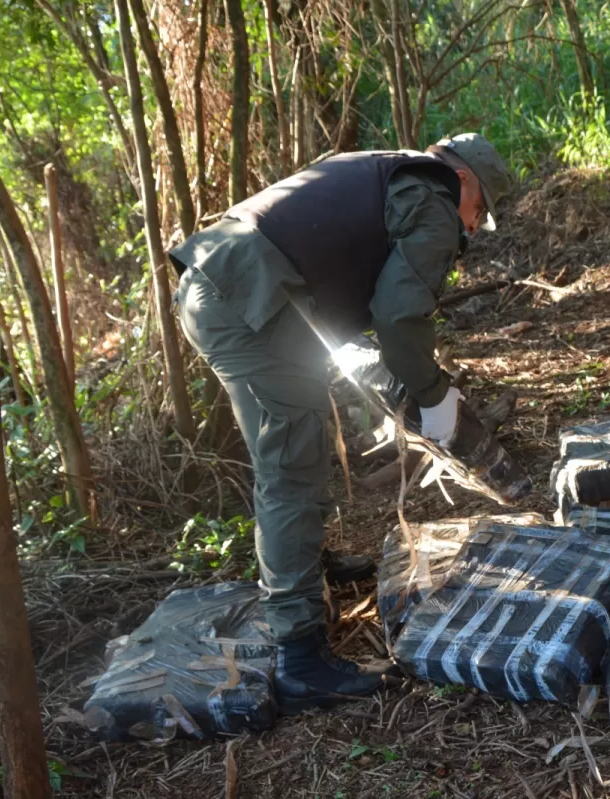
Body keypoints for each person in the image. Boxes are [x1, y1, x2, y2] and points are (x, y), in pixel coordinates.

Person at [168, 133, 511, 712]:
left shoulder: (382, 168)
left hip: (228, 284)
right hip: (246, 298)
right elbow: (399, 314)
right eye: (480, 213)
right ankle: (300, 656)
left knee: (293, 446)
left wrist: (400, 380)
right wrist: (432, 393)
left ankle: (307, 569)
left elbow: (344, 290)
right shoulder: (433, 197)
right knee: (290, 472)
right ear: (467, 180)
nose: (473, 228)